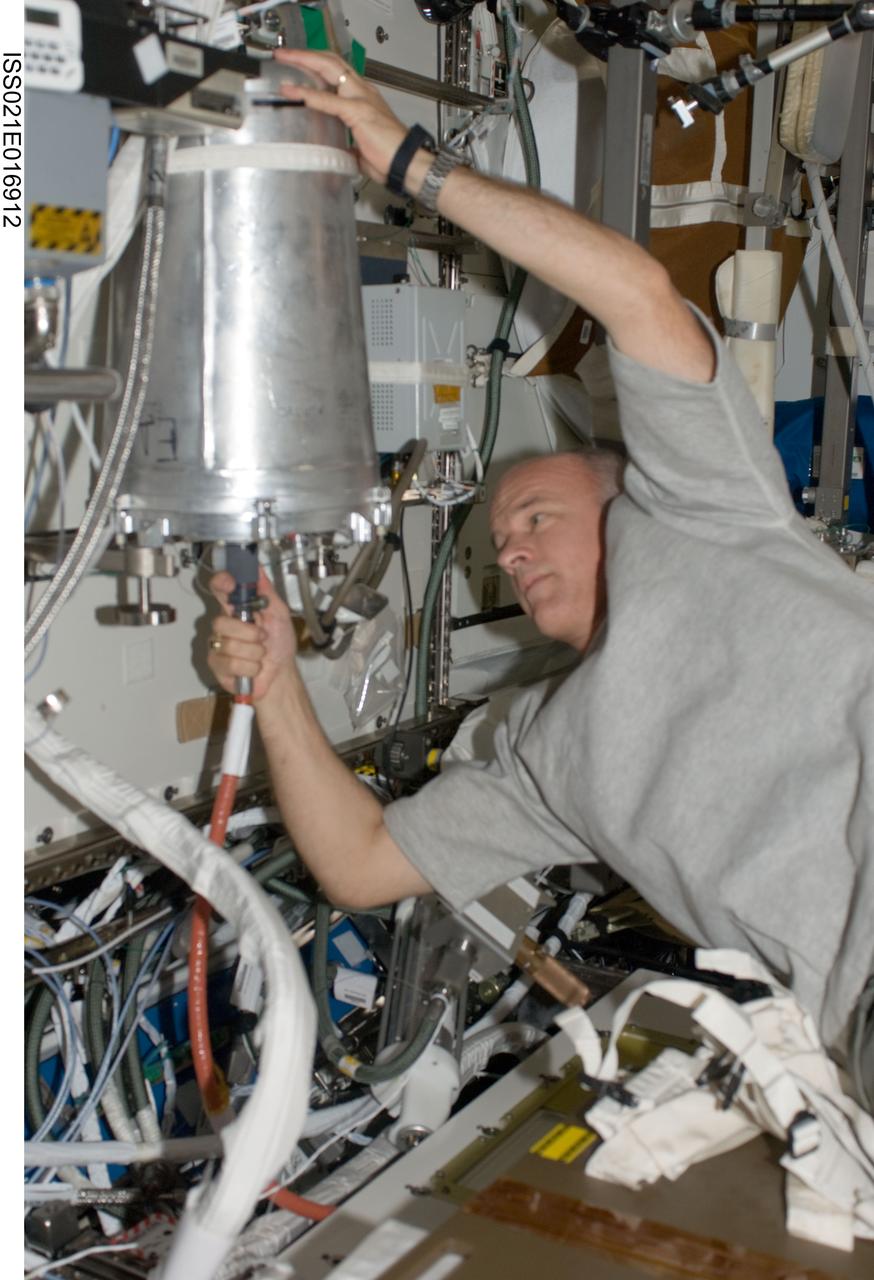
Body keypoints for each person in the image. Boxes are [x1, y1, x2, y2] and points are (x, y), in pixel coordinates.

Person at [206, 48, 874, 1088]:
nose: (510, 548)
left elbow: (637, 293)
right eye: (499, 544)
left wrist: (416, 166)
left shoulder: (705, 510)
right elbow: (359, 863)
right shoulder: (543, 751)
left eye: (535, 513)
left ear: (625, 496)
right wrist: (279, 677)